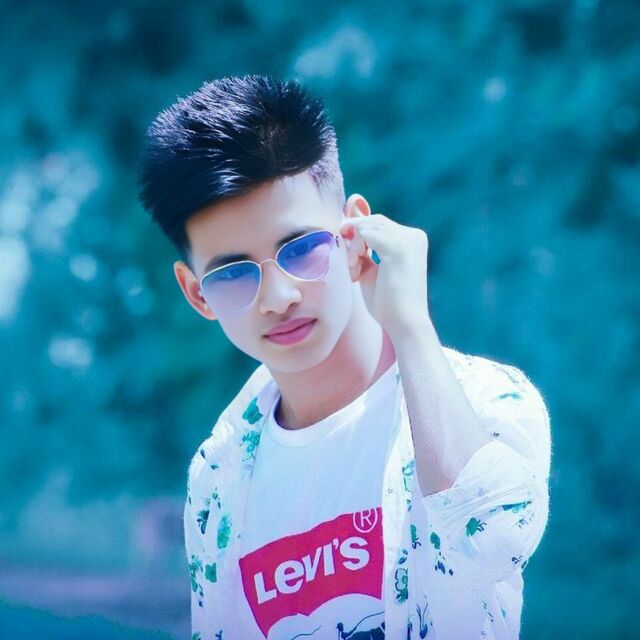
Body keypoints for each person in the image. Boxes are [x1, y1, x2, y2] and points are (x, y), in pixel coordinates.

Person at [136, 74, 552, 639]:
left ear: (353, 232)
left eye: (301, 248)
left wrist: (411, 328)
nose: (278, 296)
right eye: (233, 275)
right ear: (196, 295)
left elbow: (495, 544)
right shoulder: (219, 474)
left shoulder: (482, 397)